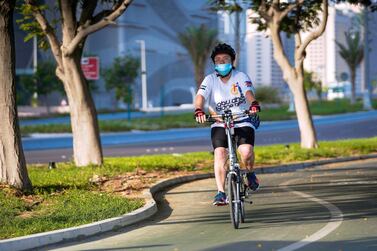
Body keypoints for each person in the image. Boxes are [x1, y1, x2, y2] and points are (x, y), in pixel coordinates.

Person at [194, 43, 260, 206]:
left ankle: (250, 173)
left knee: (245, 152)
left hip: (242, 119)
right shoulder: (209, 80)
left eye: (225, 59)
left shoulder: (241, 76)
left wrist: (253, 104)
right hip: (220, 123)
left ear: (232, 61)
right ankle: (221, 193)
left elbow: (248, 93)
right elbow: (200, 97)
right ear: (214, 64)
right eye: (218, 60)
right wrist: (198, 110)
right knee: (220, 154)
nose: (222, 63)